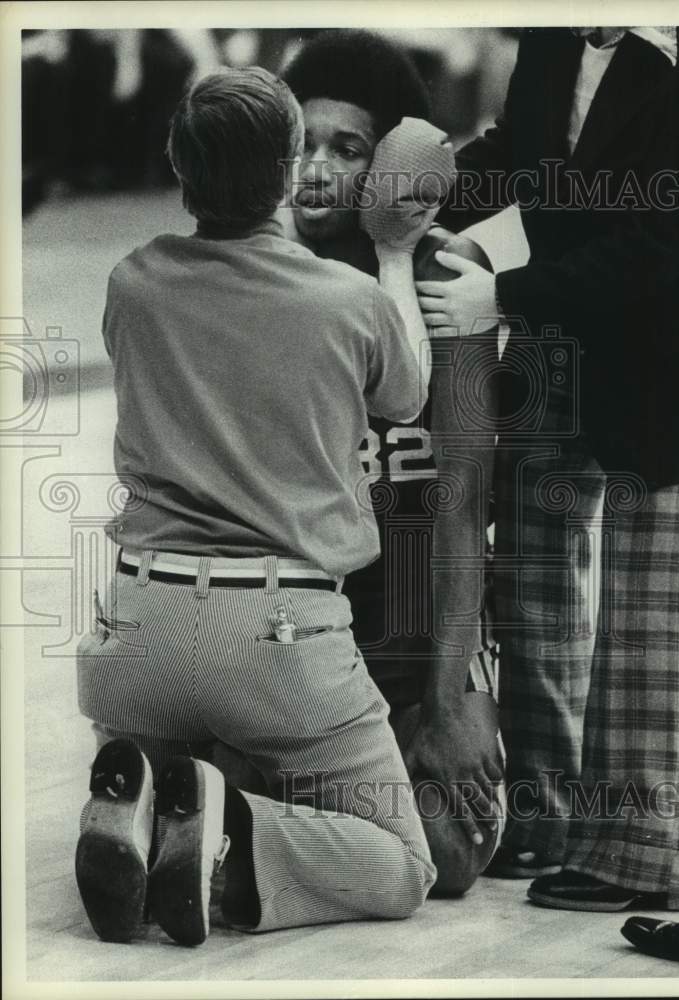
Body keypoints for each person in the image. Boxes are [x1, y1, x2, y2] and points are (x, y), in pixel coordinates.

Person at [74, 65, 437, 947]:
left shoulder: (134, 281)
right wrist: (392, 251)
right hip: (279, 637)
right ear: (287, 170)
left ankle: (154, 801)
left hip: (138, 631)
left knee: (175, 737)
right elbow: (408, 395)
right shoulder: (348, 302)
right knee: (400, 863)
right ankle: (230, 834)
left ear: (176, 167)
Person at [421, 27, 679, 909]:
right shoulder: (555, 40)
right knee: (528, 568)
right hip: (565, 343)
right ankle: (545, 813)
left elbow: (656, 245)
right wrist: (418, 183)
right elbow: (519, 158)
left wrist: (502, 294)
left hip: (666, 370)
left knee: (643, 611)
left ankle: (644, 858)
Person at [215, 28, 505, 897]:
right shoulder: (252, 275)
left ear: (390, 164)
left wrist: (450, 701)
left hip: (411, 637)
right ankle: (225, 803)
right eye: (301, 141)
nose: (315, 169)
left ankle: (223, 831)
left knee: (452, 858)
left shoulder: (444, 272)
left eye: (346, 149)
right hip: (294, 637)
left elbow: (461, 500)